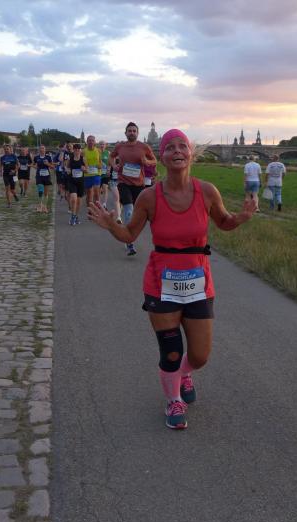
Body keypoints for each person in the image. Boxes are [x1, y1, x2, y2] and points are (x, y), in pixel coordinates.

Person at [88, 129, 257, 430]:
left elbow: (224, 222)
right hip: (161, 282)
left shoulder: (207, 191)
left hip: (198, 282)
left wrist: (240, 218)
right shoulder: (149, 197)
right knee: (171, 351)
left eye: (182, 146)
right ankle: (173, 399)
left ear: (190, 154)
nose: (177, 151)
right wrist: (111, 225)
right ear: (161, 157)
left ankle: (184, 373)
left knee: (200, 355)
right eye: (170, 147)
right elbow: (129, 234)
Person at [109, 122, 158, 256]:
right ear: (125, 133)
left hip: (139, 185)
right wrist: (114, 165)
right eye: (129, 131)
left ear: (137, 133)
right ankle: (129, 241)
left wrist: (147, 162)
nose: (132, 133)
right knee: (129, 210)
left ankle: (129, 232)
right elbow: (111, 157)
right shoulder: (120, 146)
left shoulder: (144, 147)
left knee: (138, 214)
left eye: (134, 131)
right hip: (123, 183)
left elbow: (154, 161)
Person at [66, 143, 87, 225]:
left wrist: (84, 169)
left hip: (80, 182)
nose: (77, 150)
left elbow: (87, 170)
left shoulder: (83, 159)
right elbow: (67, 167)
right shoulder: (70, 159)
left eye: (78, 149)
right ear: (73, 150)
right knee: (74, 199)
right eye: (75, 149)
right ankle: (72, 216)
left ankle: (76, 216)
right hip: (72, 181)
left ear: (80, 150)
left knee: (78, 201)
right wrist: (68, 170)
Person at [83, 135, 103, 209]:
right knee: (88, 194)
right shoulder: (83, 151)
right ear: (87, 142)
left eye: (92, 140)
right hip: (87, 175)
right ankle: (89, 209)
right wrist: (83, 167)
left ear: (95, 142)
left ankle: (97, 209)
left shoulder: (98, 150)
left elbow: (100, 162)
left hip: (96, 174)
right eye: (89, 140)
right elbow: (80, 162)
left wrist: (100, 165)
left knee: (96, 192)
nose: (91, 142)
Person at [33, 144, 54, 213]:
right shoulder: (36, 157)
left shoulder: (48, 157)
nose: (42, 150)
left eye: (43, 148)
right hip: (39, 175)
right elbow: (34, 165)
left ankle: (45, 206)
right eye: (41, 148)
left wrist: (47, 164)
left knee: (45, 192)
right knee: (40, 190)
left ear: (45, 150)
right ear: (39, 150)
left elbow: (52, 167)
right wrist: (35, 166)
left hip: (46, 175)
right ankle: (40, 206)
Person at [98, 140, 111, 208]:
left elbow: (110, 163)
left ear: (105, 145)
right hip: (98, 173)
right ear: (99, 145)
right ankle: (98, 203)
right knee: (98, 189)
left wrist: (108, 170)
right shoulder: (97, 152)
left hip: (105, 173)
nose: (102, 145)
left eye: (103, 144)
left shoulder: (108, 153)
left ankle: (104, 204)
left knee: (105, 188)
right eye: (101, 144)